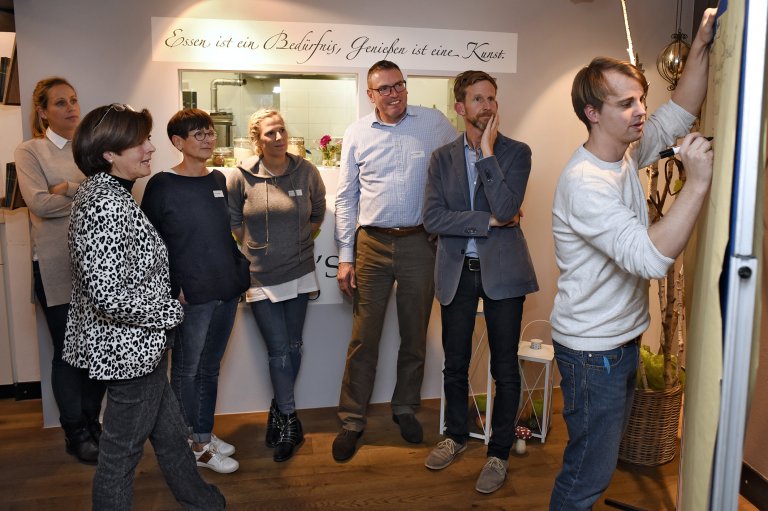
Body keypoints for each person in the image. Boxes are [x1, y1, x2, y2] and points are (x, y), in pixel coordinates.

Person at [549, 9, 717, 510]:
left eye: (641, 99)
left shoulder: (623, 153)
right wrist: (697, 182)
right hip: (592, 353)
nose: (642, 111)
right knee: (587, 476)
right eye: (626, 104)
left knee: (594, 467)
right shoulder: (585, 183)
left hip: (617, 343)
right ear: (592, 113)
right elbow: (649, 258)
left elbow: (680, 109)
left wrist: (701, 43)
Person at [64, 103, 226, 510]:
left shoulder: (108, 193)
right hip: (128, 353)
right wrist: (171, 311)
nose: (150, 148)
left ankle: (202, 500)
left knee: (171, 436)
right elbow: (108, 295)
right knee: (120, 456)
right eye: (139, 142)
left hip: (141, 349)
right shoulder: (104, 203)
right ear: (109, 153)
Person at [332, 60, 457, 462]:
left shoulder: (434, 123)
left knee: (414, 333)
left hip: (420, 242)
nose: (394, 94)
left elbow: (461, 165)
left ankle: (405, 407)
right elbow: (346, 197)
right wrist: (346, 257)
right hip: (371, 243)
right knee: (363, 337)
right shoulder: (357, 133)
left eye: (399, 85)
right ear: (370, 95)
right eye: (384, 88)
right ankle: (352, 419)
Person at [422, 70, 538, 493]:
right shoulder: (441, 158)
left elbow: (508, 207)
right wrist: (488, 222)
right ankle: (455, 435)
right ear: (460, 107)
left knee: (504, 367)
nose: (487, 106)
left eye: (491, 98)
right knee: (455, 362)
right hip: (456, 272)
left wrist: (488, 153)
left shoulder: (517, 153)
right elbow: (433, 218)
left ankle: (498, 452)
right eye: (477, 99)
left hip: (504, 273)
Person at [141, 108, 249, 474]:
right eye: (198, 134)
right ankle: (190, 444)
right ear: (178, 142)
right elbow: (150, 245)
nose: (208, 139)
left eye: (210, 132)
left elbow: (222, 234)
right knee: (186, 372)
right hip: (192, 297)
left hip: (225, 290)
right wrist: (174, 288)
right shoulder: (161, 184)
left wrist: (239, 272)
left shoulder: (218, 178)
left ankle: (203, 433)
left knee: (210, 368)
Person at [14, 77, 105, 464]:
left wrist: (66, 186)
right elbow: (38, 204)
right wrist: (86, 192)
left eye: (74, 100)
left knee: (98, 349)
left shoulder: (90, 148)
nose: (71, 108)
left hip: (98, 265)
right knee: (69, 354)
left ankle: (93, 423)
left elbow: (113, 193)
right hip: (56, 267)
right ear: (43, 112)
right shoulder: (30, 151)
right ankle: (75, 431)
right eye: (61, 102)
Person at [227, 108, 326, 462]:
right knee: (279, 350)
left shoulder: (307, 170)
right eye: (270, 133)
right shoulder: (241, 176)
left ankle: (279, 410)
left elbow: (318, 212)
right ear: (257, 140)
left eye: (282, 130)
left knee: (294, 346)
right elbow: (234, 221)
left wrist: (297, 243)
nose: (279, 137)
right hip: (260, 275)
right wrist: (259, 249)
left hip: (299, 270)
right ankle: (289, 418)